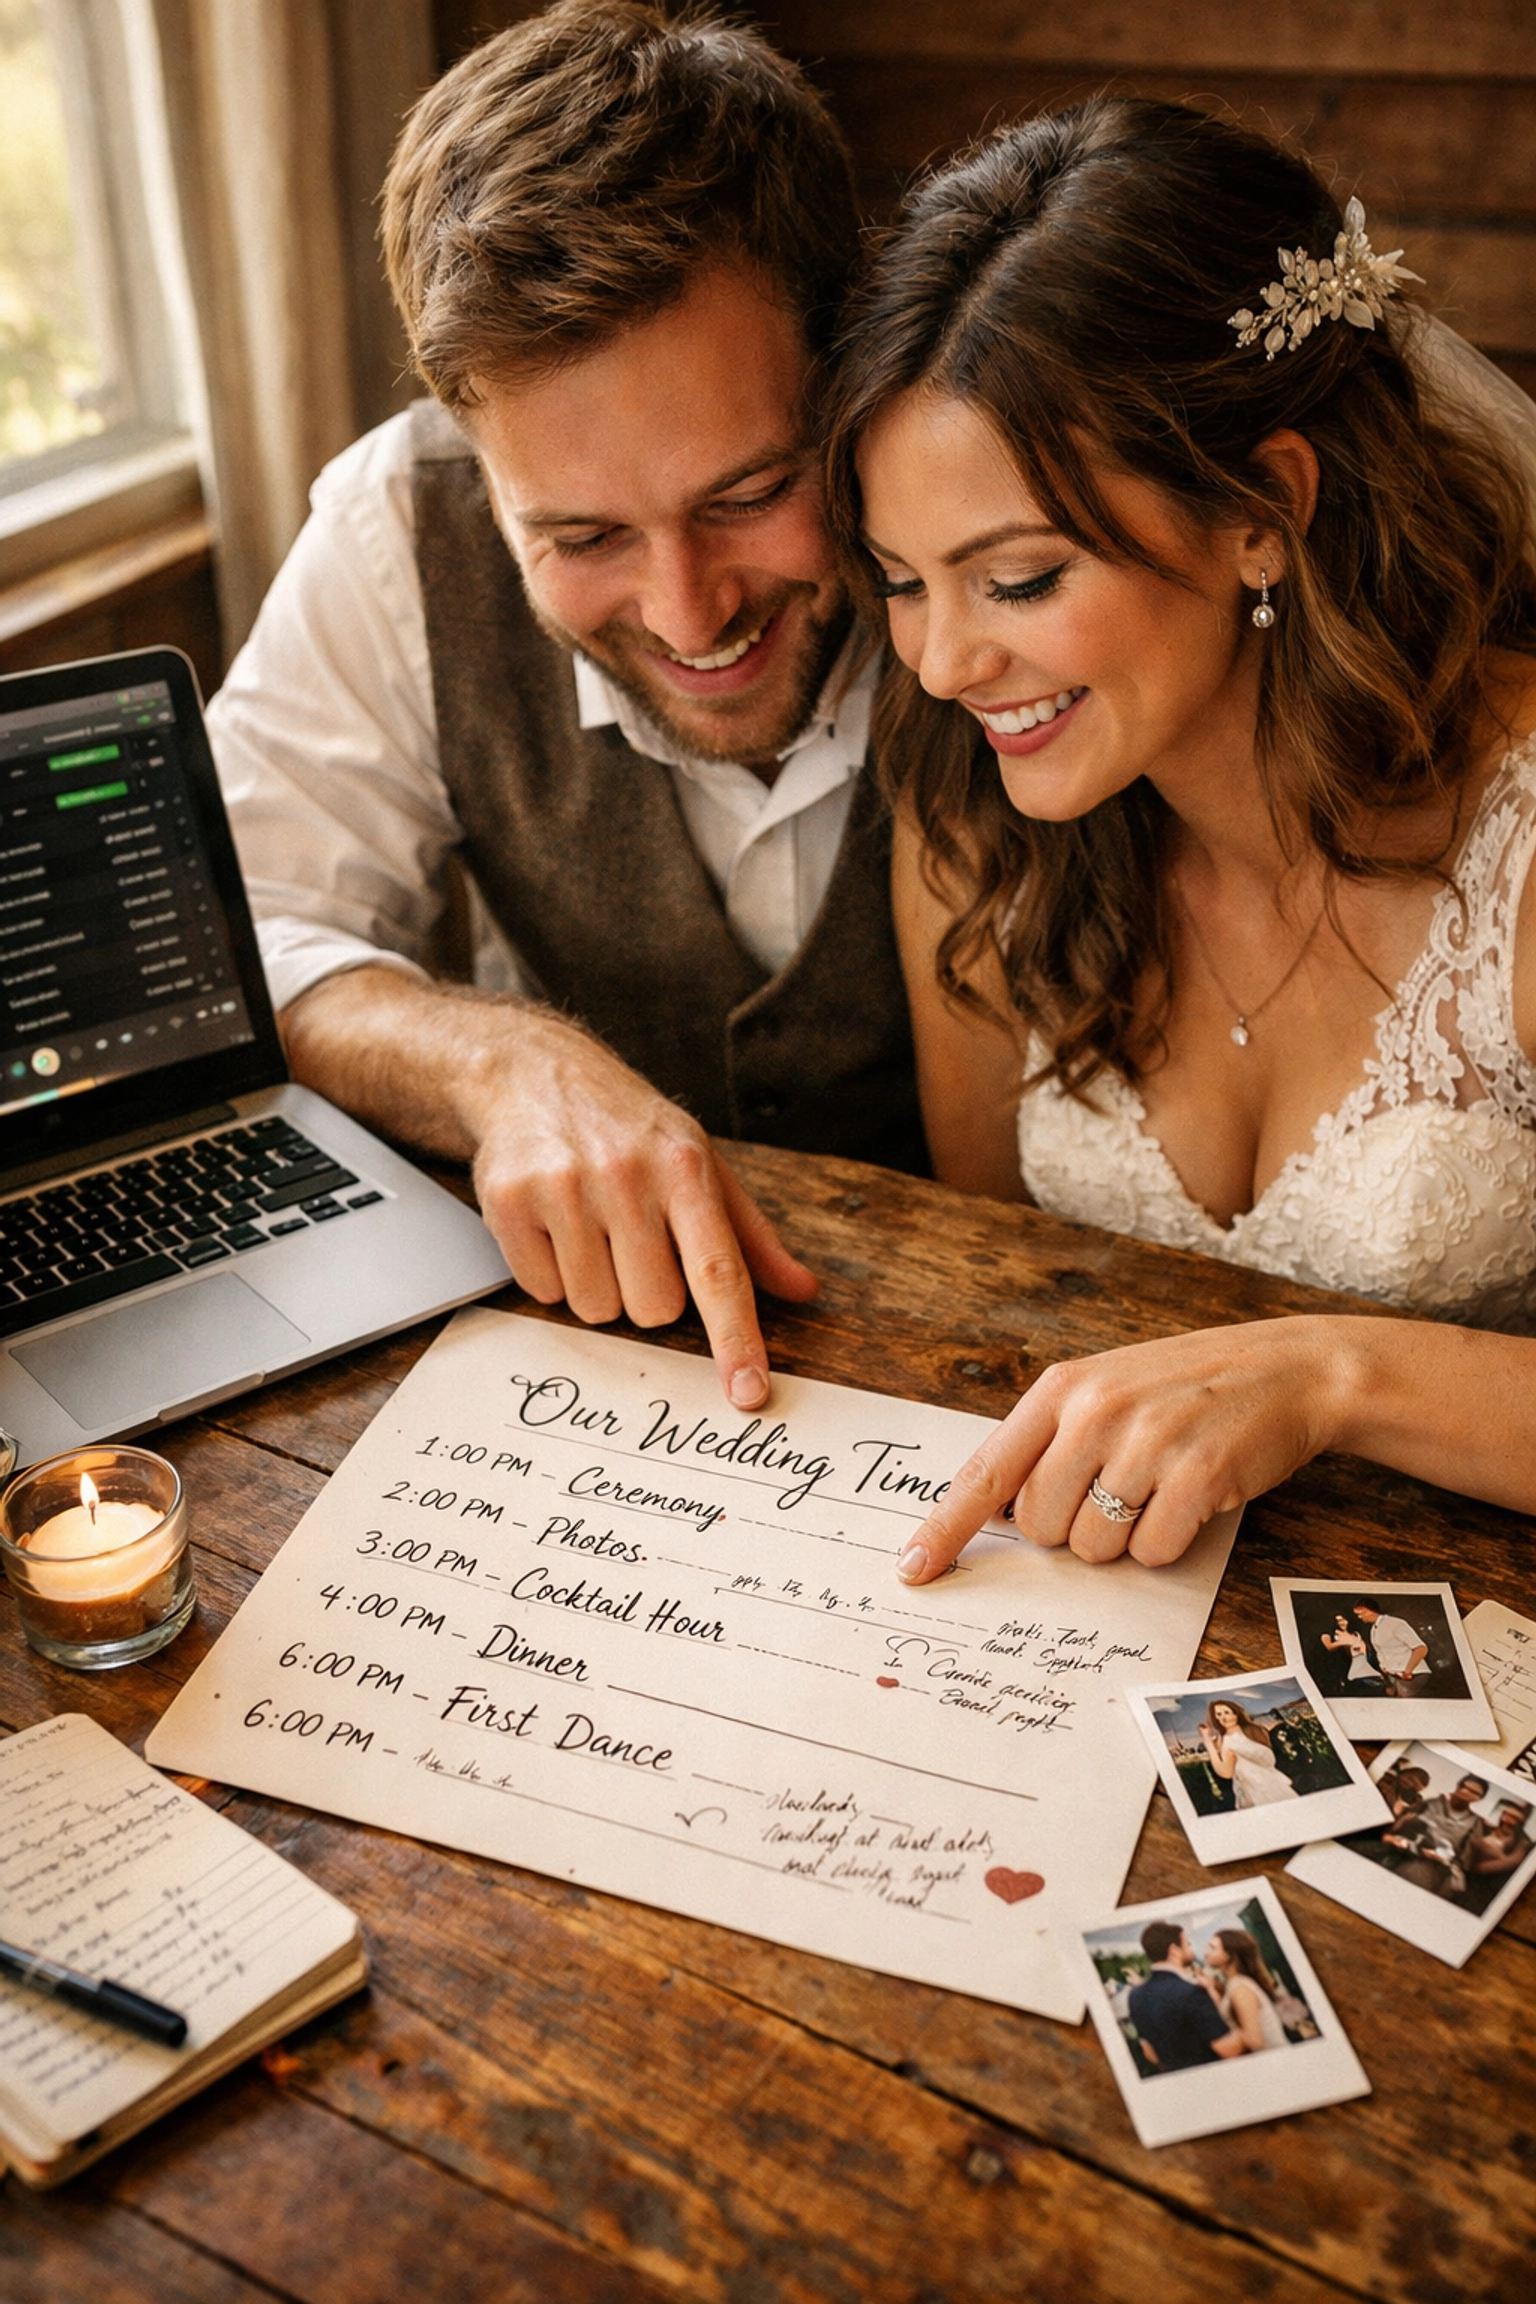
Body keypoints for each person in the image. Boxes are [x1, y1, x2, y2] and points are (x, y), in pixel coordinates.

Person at [817, 95, 1536, 1580]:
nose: (943, 665)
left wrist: (1336, 1377)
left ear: (1262, 509)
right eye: (902, 581)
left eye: (1019, 580)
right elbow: (990, 1284)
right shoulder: (974, 822)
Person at [212, 2, 926, 1417]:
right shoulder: (394, 533)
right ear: (475, 457)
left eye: (748, 495)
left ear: (846, 358)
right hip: (597, 1386)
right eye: (583, 537)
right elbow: (240, 938)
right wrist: (496, 1059)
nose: (688, 613)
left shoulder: (1001, 499)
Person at [1125, 1920, 1245, 2072]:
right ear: (1174, 1950)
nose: (1191, 1948)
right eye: (1187, 1944)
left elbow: (1149, 2053)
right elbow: (1231, 2050)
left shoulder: (1135, 1996)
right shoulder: (1191, 1993)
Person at [1385, 1772, 1489, 1895]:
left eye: (1474, 1792)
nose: (1466, 1792)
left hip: (1435, 1866)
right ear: (1459, 1785)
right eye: (1464, 1787)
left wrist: (1446, 1861)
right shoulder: (1431, 1803)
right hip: (1403, 1850)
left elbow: (1466, 1859)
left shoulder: (1474, 1823)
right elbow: (1399, 1827)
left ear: (1479, 1798)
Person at [1197, 1699, 1299, 1809]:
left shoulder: (1247, 1733)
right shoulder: (1230, 1739)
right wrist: (1208, 1741)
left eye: (1227, 1712)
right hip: (1258, 1787)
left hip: (1267, 1784)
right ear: (1215, 1718)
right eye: (1219, 1714)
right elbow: (1227, 1772)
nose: (1224, 1718)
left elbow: (1227, 1772)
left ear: (1236, 1713)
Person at [1203, 1928, 1288, 2052]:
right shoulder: (1234, 1983)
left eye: (1212, 1948)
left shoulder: (1240, 1986)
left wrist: (1217, 2043)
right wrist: (1210, 1988)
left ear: (1229, 1955)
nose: (1206, 1953)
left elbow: (1256, 2041)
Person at [1352, 1602, 1430, 1696]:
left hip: (1414, 1675)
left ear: (1371, 1610)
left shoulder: (1395, 1623)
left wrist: (1408, 1671)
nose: (1360, 1617)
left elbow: (1420, 1648)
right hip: (1396, 1677)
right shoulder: (1374, 1630)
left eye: (1362, 1613)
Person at [1319, 1611, 1381, 1695]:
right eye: (1338, 1621)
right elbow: (1330, 1647)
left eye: (1343, 1620)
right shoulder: (1333, 1636)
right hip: (1347, 1670)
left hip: (1364, 1665)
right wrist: (1345, 1642)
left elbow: (1364, 1649)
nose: (1341, 1623)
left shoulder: (1354, 1634)